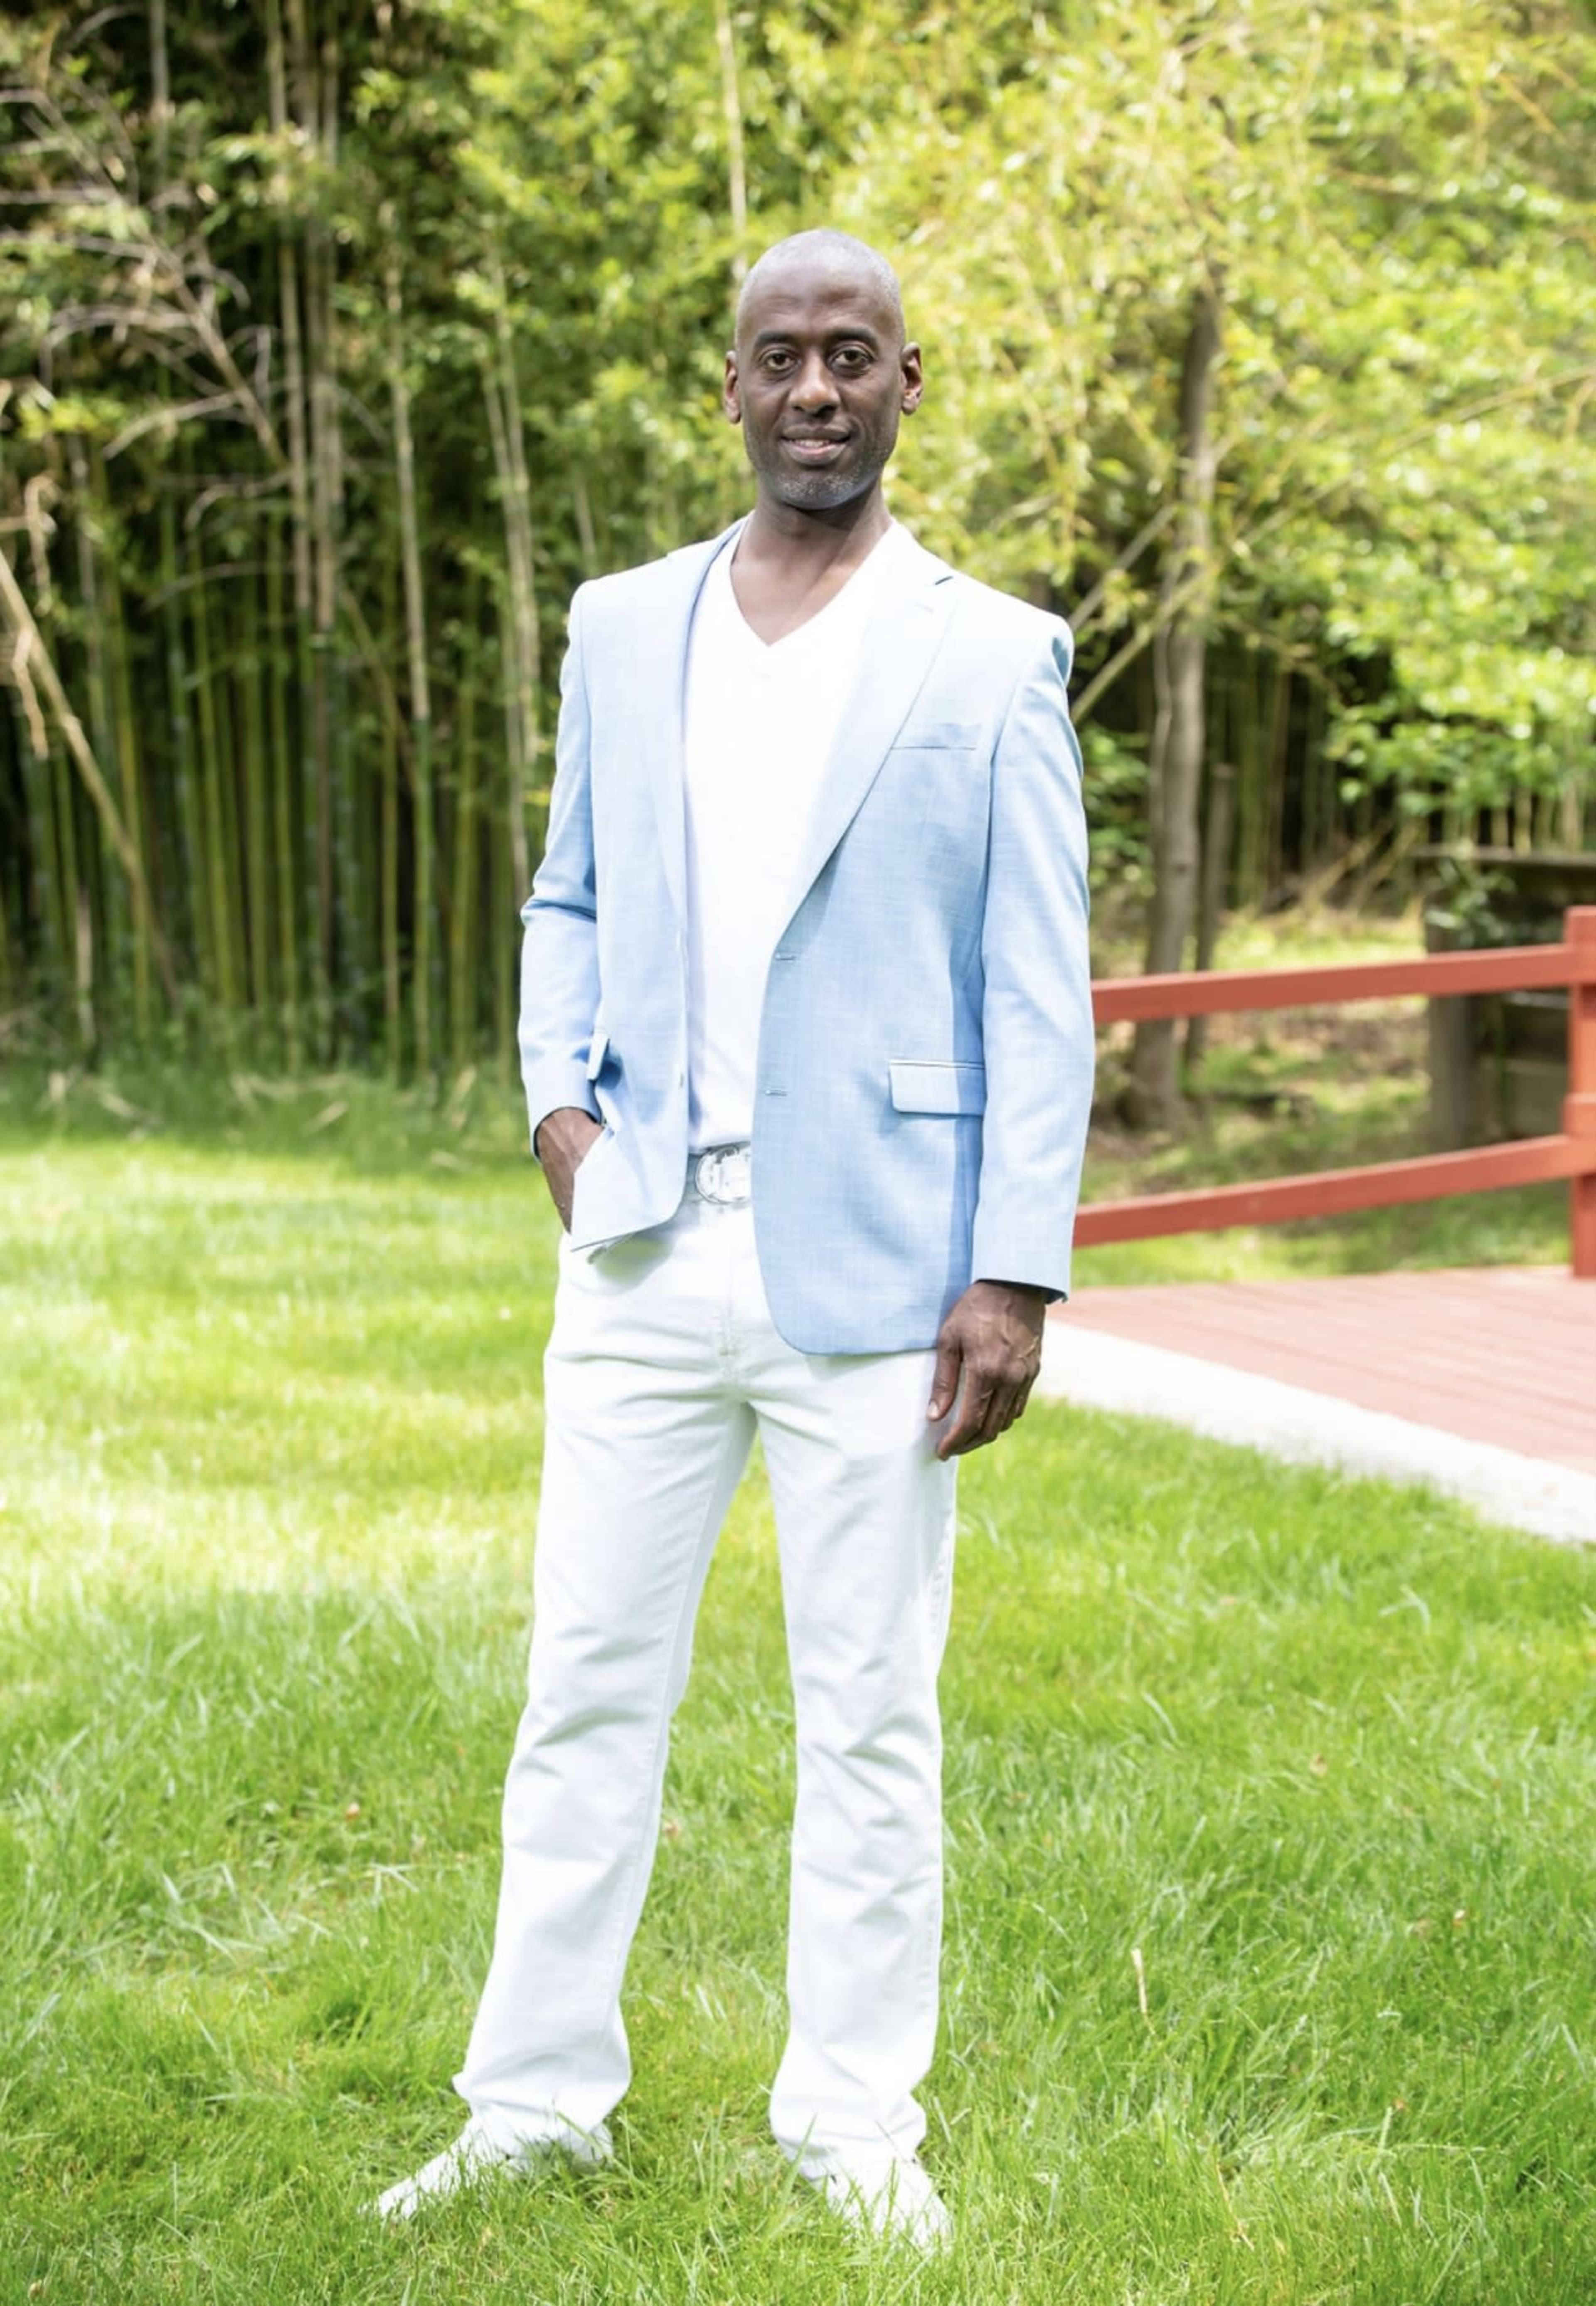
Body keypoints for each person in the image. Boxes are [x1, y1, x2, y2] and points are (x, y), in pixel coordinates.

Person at [374, 228, 1093, 2250]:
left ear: (907, 380)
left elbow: (1041, 990)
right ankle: (529, 2109)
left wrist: (1015, 1267)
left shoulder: (988, 652)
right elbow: (567, 894)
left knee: (871, 1713)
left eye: (852, 356)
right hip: (643, 1251)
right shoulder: (623, 624)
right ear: (729, 385)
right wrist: (556, 1111)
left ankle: (857, 2130)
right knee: (586, 1685)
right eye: (780, 356)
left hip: (883, 1276)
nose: (815, 390)